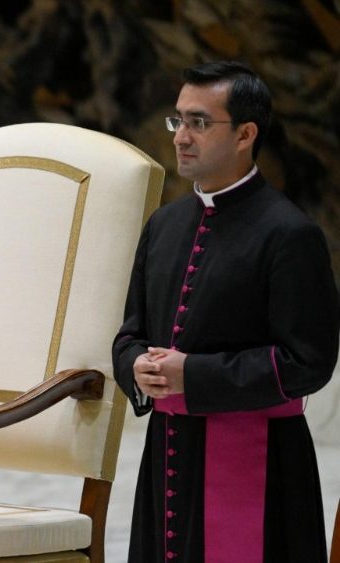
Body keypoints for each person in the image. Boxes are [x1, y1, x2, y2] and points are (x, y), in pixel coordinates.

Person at [112, 61, 338, 563]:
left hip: (258, 465)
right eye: (178, 121)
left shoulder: (290, 234)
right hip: (168, 452)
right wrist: (136, 367)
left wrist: (193, 374)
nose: (180, 137)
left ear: (245, 134)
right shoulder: (164, 225)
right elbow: (129, 333)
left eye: (199, 122)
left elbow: (309, 362)